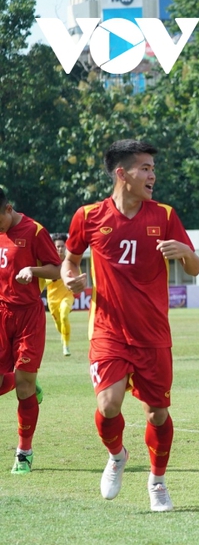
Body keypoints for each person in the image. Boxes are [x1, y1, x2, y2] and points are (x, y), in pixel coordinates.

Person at [62, 140, 199, 512]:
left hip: (153, 334)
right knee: (109, 406)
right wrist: (71, 277)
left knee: (157, 413)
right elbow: (70, 260)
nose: (152, 175)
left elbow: (195, 267)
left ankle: (157, 482)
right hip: (108, 330)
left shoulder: (166, 215)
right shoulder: (89, 216)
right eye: (144, 168)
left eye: (153, 168)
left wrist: (185, 253)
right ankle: (118, 455)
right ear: (121, 174)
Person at [0, 188, 61, 475]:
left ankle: (24, 453)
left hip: (28, 316)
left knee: (24, 388)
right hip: (1, 313)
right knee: (9, 383)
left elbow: (56, 270)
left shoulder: (34, 231)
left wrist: (33, 272)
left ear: (8, 209)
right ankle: (19, 379)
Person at [46, 233, 74, 356]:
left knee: (64, 316)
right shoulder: (48, 262)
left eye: (62, 246)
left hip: (67, 297)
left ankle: (66, 346)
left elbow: (77, 275)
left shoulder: (70, 262)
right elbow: (43, 280)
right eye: (57, 247)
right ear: (53, 247)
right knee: (59, 324)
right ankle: (63, 336)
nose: (60, 249)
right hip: (52, 300)